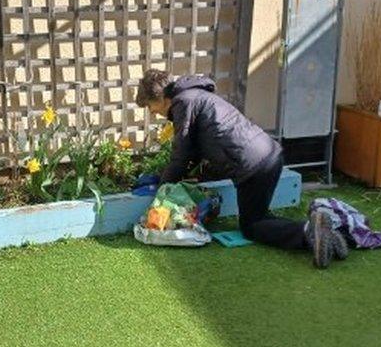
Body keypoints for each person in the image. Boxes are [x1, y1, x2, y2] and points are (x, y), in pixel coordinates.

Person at [134, 69, 348, 268]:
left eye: (149, 107)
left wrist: (162, 191)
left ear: (160, 98)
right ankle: (326, 234)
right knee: (260, 217)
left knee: (252, 226)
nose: (152, 113)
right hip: (269, 155)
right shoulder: (195, 95)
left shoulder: (183, 103)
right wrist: (165, 176)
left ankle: (308, 232)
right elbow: (194, 150)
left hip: (252, 165)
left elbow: (181, 156)